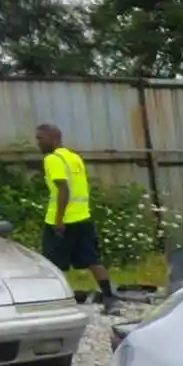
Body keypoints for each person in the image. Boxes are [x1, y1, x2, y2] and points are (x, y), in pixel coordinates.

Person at [34, 123, 119, 313]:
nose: (38, 143)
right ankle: (109, 297)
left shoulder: (52, 159)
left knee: (53, 264)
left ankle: (55, 301)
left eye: (41, 138)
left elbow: (63, 189)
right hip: (83, 218)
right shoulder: (74, 157)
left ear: (54, 139)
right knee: (92, 259)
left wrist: (59, 219)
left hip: (62, 220)